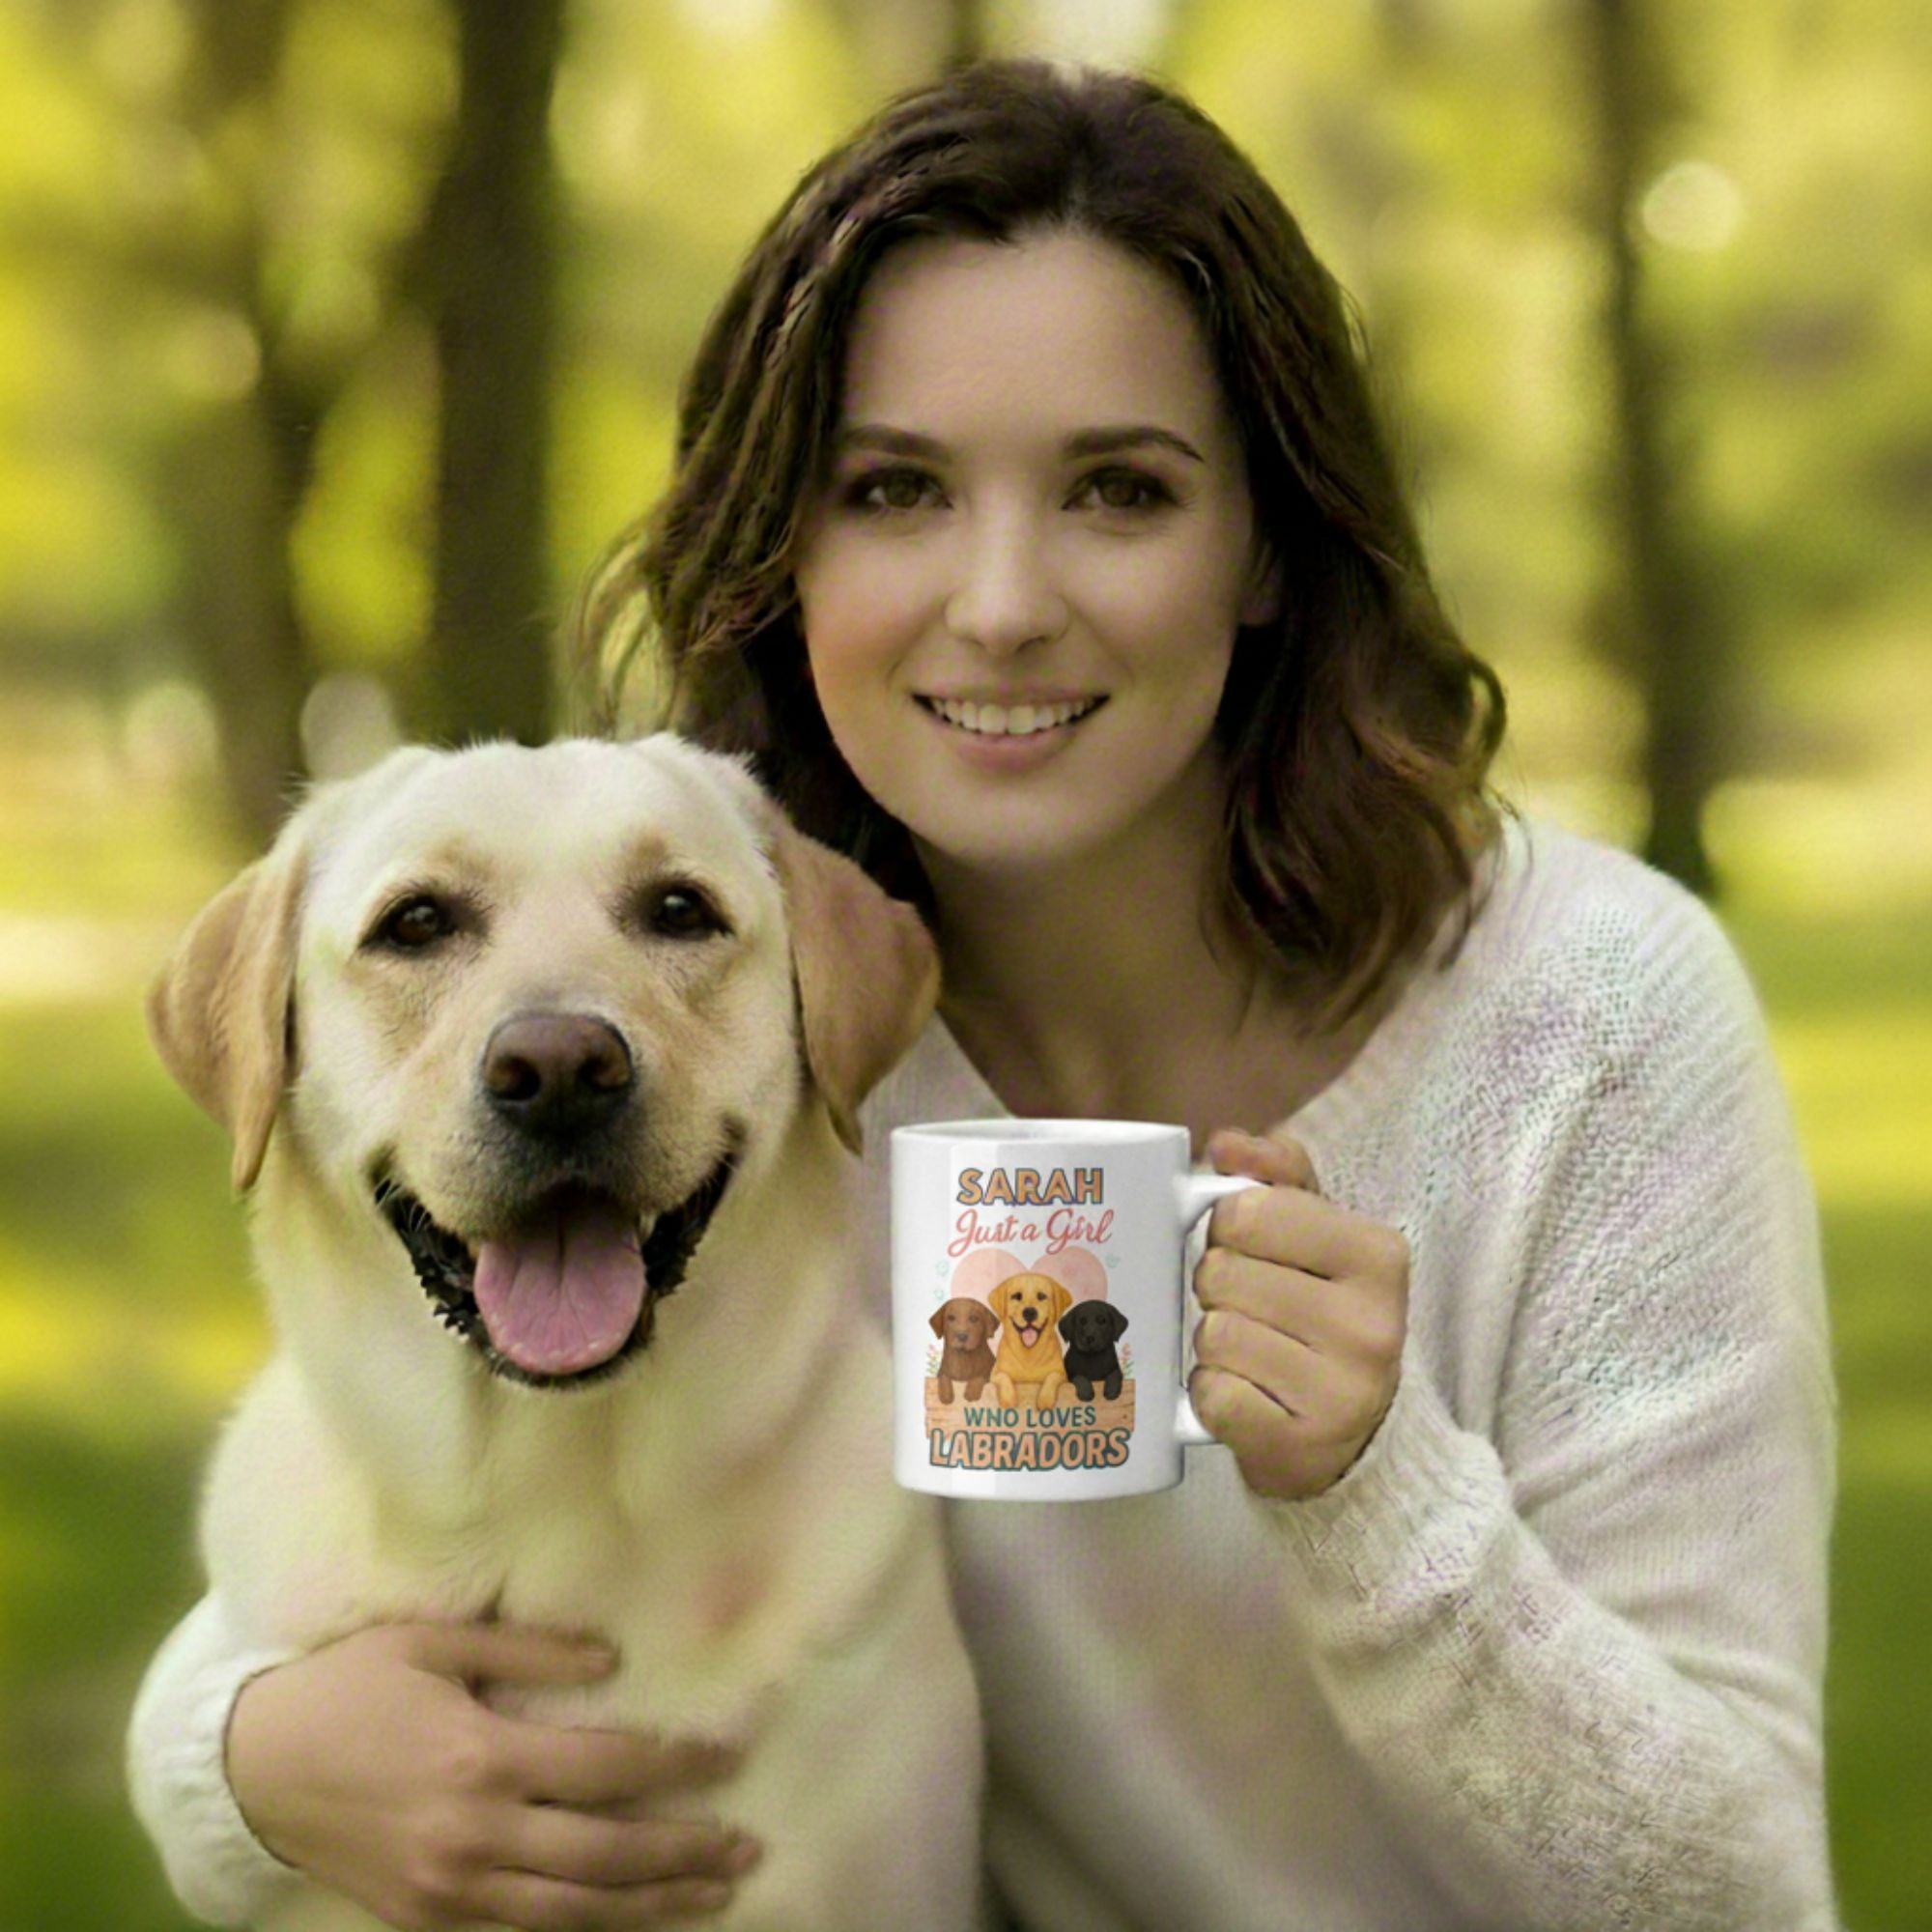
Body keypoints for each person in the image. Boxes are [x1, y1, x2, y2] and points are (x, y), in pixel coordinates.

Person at [128, 58, 1837, 1932]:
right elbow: (326, 1552)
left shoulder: (1581, 1018)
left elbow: (1738, 1887)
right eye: (895, 491)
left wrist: (1374, 1493)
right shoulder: (717, 1018)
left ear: (1263, 544)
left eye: (1119, 488)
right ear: (788, 551)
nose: (1003, 601)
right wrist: (243, 1766)